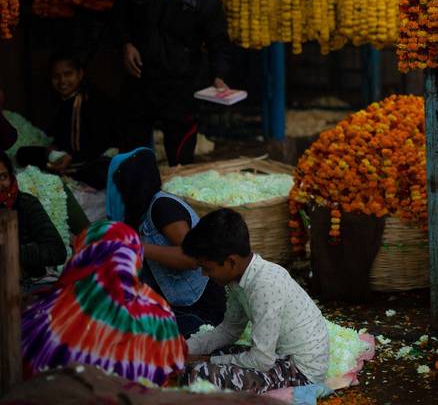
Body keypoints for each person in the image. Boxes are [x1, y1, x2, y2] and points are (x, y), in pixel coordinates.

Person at [111, 0, 231, 166]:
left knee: (180, 159)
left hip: (180, 85)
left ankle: (175, 201)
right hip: (140, 81)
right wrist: (126, 44)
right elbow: (118, 18)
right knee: (132, 155)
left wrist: (219, 75)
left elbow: (218, 40)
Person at [181, 209, 331, 393]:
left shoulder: (264, 286)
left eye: (207, 268)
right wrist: (183, 349)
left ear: (231, 262)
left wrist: (206, 361)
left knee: (197, 376)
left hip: (300, 372)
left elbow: (261, 360)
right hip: (277, 358)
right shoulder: (238, 279)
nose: (204, 274)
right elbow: (230, 330)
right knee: (203, 357)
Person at [21, 220, 187, 384]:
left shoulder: (40, 313)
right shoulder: (156, 313)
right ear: (135, 258)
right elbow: (175, 367)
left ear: (82, 253)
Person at [106, 148, 226, 336]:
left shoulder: (162, 207)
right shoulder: (140, 212)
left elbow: (192, 258)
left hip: (200, 307)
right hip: (176, 303)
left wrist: (136, 246)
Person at [16, 52, 115, 189]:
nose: (62, 81)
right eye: (56, 76)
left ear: (80, 74)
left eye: (68, 74)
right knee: (24, 153)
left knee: (99, 170)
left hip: (90, 158)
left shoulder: (94, 101)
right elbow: (60, 136)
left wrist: (72, 157)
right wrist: (53, 149)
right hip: (66, 156)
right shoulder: (62, 102)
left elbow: (101, 142)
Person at [1, 151, 67, 286]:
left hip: (26, 282)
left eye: (3, 177)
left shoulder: (26, 204)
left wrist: (9, 251)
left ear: (11, 177)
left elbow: (56, 250)